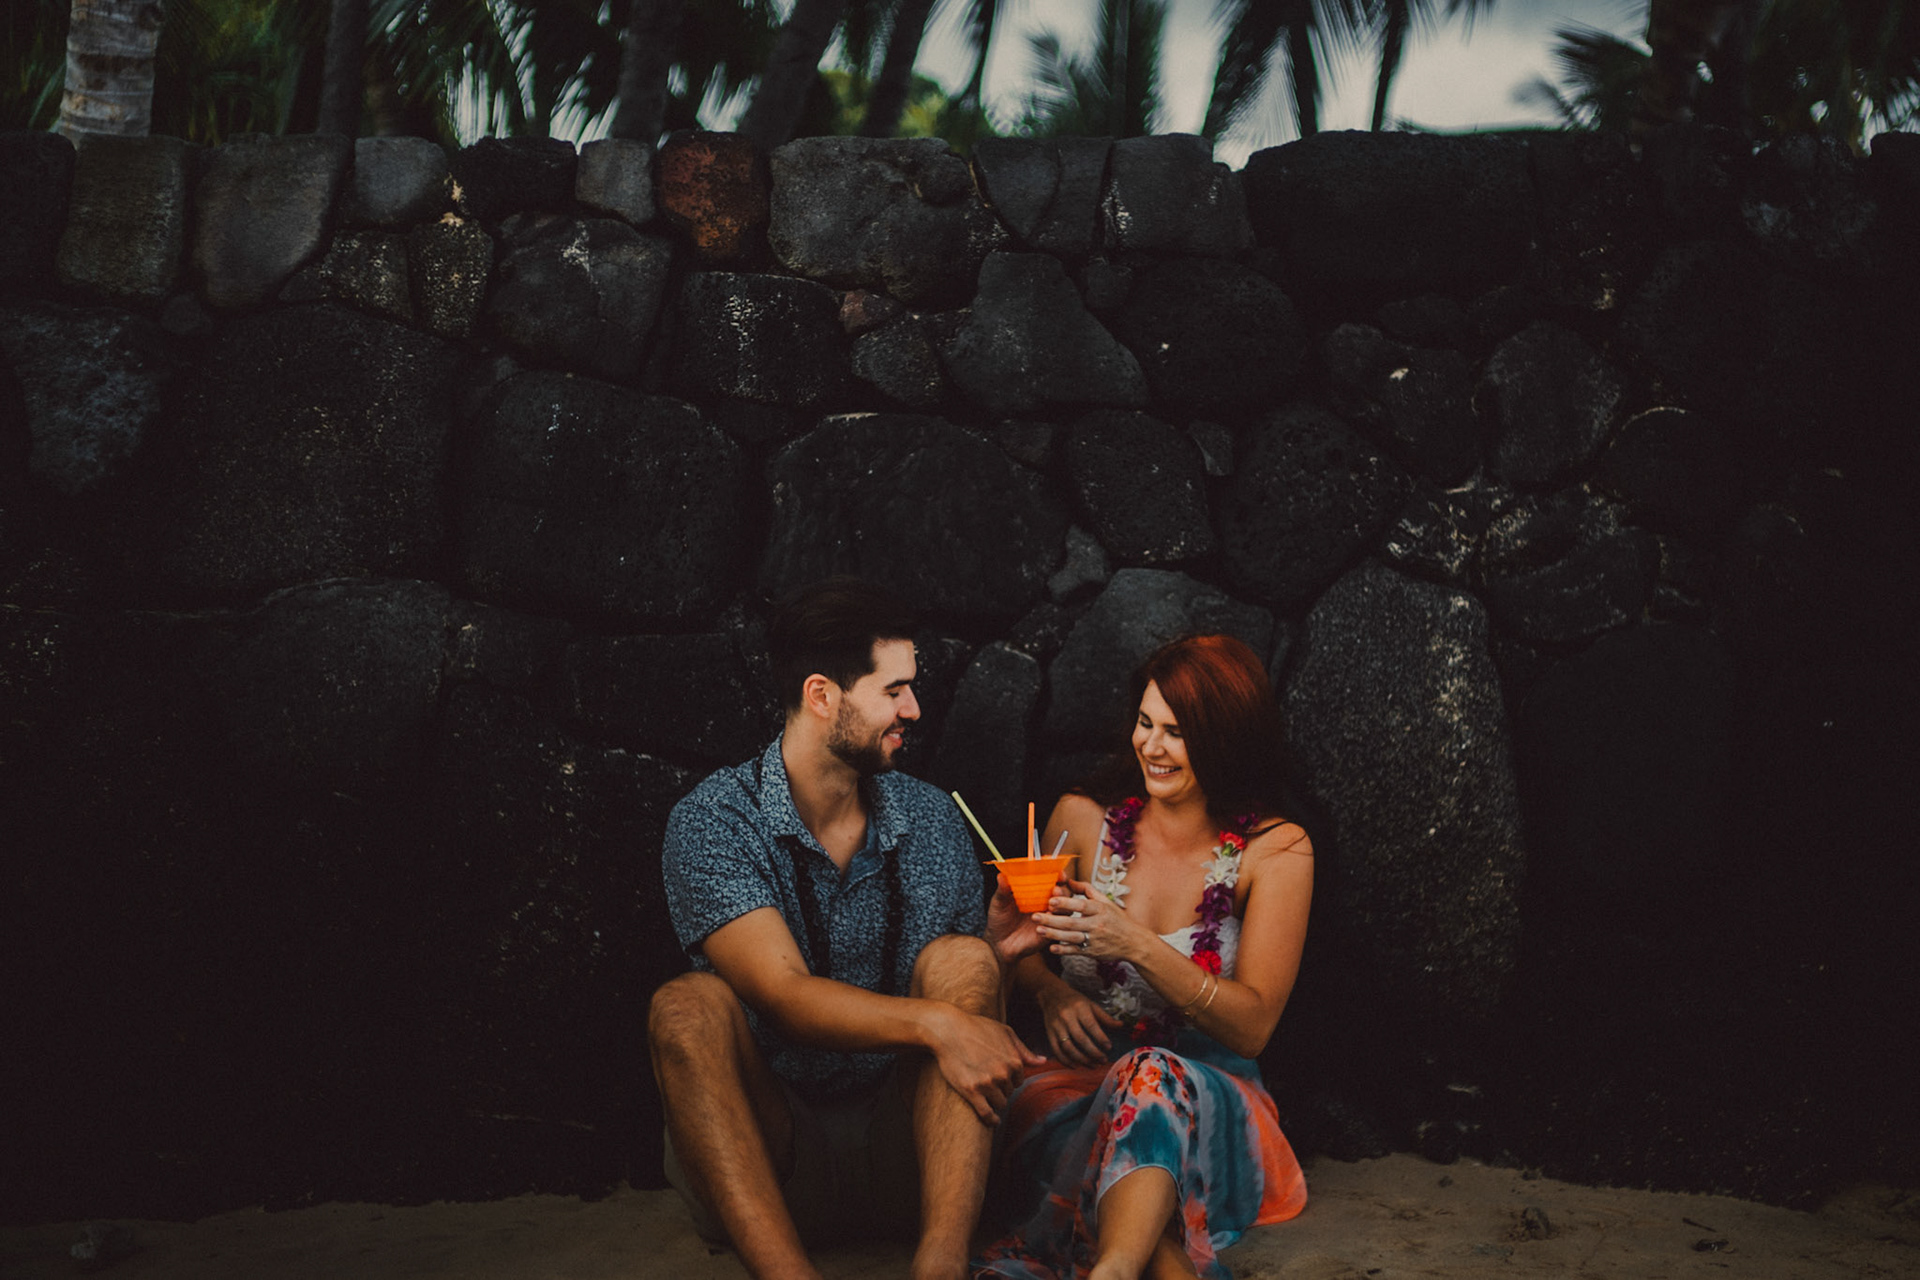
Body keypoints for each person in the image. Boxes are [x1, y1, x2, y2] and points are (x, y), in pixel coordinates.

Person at [649, 577, 1044, 1280]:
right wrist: (936, 1024)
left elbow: (965, 1027)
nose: (914, 710)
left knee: (965, 958)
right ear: (822, 695)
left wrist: (995, 957)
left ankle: (942, 1266)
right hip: (773, 1158)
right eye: (894, 690)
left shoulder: (931, 818)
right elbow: (783, 996)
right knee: (684, 1007)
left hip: (908, 1160)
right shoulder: (713, 820)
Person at [975, 634, 1314, 1280]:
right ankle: (1135, 1266)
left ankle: (1115, 1269)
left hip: (1209, 1102)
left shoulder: (1276, 850)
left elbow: (1254, 1025)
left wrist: (1133, 943)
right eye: (1144, 723)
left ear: (1227, 738)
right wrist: (1050, 992)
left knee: (1152, 1075)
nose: (1151, 748)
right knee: (1061, 1118)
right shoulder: (1078, 819)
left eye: (1177, 732)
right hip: (1073, 1085)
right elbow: (1021, 949)